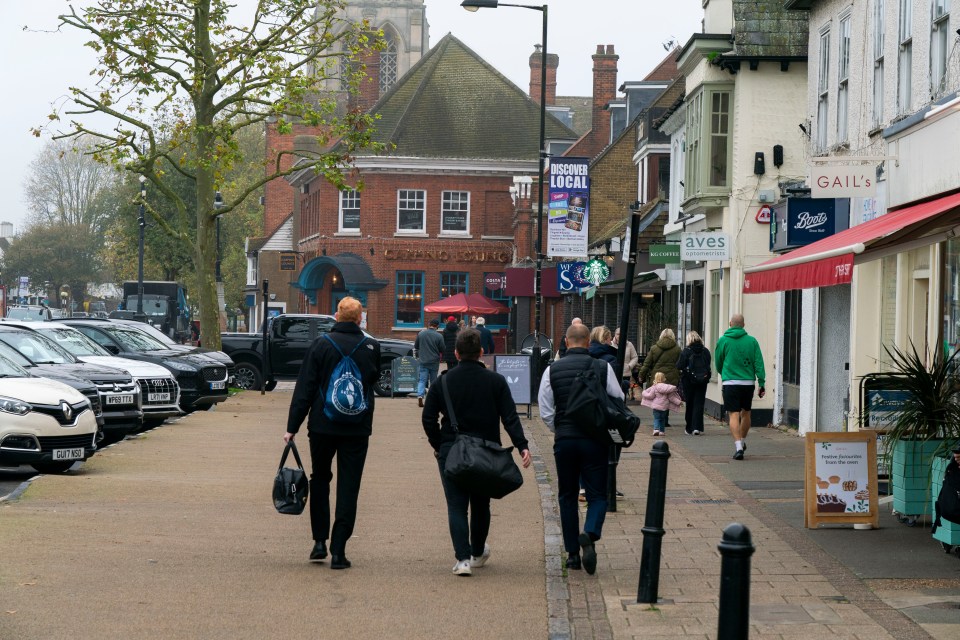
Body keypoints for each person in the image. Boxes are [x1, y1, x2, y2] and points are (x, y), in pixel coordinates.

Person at [422, 329, 532, 576]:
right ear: (482, 352)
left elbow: (428, 418)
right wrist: (522, 445)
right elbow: (510, 417)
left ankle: (462, 560)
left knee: (456, 505)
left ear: (457, 353)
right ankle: (478, 551)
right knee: (481, 504)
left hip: (452, 449)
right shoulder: (496, 381)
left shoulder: (443, 381)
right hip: (486, 449)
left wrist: (439, 445)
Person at [283, 297, 381, 569]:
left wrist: (293, 426)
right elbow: (371, 381)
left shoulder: (320, 345)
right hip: (357, 428)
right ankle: (339, 550)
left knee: (320, 479)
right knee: (349, 486)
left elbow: (305, 388)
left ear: (336, 316)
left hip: (322, 425)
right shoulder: (371, 347)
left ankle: (318, 542)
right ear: (360, 318)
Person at [538, 323, 624, 575]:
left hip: (565, 440)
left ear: (566, 342)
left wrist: (560, 429)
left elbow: (545, 409)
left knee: (567, 495)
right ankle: (591, 532)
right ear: (588, 342)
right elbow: (618, 400)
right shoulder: (602, 367)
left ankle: (573, 554)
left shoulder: (551, 370)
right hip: (595, 441)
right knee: (598, 494)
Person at [715, 313, 766, 460]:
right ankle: (742, 441)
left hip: (730, 382)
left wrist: (723, 373)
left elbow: (718, 362)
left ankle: (738, 447)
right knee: (746, 413)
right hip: (747, 383)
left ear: (730, 323)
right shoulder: (752, 341)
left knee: (733, 414)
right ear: (743, 325)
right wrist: (761, 382)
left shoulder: (723, 341)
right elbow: (759, 363)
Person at [677, 331, 711, 436]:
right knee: (699, 403)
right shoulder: (705, 351)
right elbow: (708, 364)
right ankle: (697, 427)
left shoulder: (686, 351)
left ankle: (689, 428)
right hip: (702, 381)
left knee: (690, 403)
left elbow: (679, 365)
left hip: (689, 381)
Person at [414, 318, 445, 408]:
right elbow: (442, 349)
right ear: (437, 326)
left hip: (423, 360)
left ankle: (420, 395)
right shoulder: (439, 336)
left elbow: (416, 346)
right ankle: (432, 399)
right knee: (433, 381)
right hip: (434, 361)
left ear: (429, 324)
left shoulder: (421, 334)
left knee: (422, 380)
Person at [641, 372, 683, 436]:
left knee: (657, 418)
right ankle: (662, 431)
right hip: (664, 406)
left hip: (656, 406)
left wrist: (644, 393)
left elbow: (650, 396)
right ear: (664, 379)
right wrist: (679, 402)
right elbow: (671, 398)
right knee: (663, 419)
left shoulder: (654, 387)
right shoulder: (668, 388)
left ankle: (656, 430)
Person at [612, 327, 638, 399]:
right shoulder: (610, 344)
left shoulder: (629, 345)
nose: (619, 336)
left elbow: (635, 357)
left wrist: (629, 366)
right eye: (618, 334)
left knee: (623, 394)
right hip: (613, 373)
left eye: (621, 334)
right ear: (614, 335)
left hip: (625, 373)